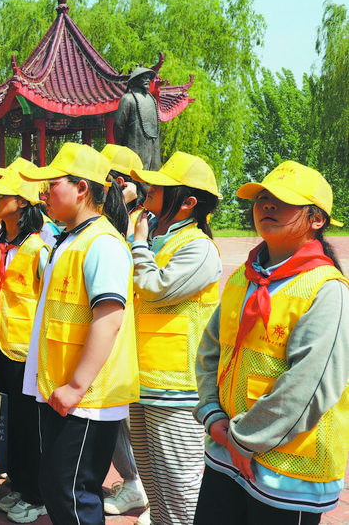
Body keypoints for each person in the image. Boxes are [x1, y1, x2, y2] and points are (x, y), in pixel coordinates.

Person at [194, 161, 349, 524]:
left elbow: (310, 385)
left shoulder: (326, 290)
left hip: (287, 470)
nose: (266, 205)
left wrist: (246, 439)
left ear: (317, 219)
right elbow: (210, 351)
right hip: (226, 451)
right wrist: (212, 413)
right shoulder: (242, 279)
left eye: (282, 200)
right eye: (262, 198)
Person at [19, 142, 138, 525]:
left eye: (53, 184)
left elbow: (109, 318)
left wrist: (76, 385)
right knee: (57, 487)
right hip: (61, 388)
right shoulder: (69, 239)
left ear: (81, 189)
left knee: (72, 493)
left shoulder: (102, 244)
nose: (43, 194)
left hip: (85, 395)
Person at [128, 152, 223, 525]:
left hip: (177, 390)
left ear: (188, 202)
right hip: (145, 382)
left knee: (181, 494)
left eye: (162, 187)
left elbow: (153, 288)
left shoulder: (198, 247)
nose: (151, 190)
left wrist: (138, 242)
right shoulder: (161, 239)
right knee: (155, 489)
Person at [0, 163, 49, 523]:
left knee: (29, 426)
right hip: (1, 347)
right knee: (12, 421)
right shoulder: (2, 243)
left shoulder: (39, 249)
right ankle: (20, 485)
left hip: (26, 352)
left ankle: (36, 495)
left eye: (1, 196)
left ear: (22, 203)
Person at [99, 143, 150, 518]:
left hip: (141, 340)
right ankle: (133, 482)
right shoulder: (104, 223)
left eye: (115, 181)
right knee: (115, 417)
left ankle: (140, 485)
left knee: (134, 421)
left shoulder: (146, 225)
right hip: (115, 337)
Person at [114, 66, 162, 170]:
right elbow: (119, 125)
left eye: (148, 78)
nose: (147, 80)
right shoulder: (128, 99)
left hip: (152, 157)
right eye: (143, 77)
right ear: (135, 81)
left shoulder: (152, 100)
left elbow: (118, 126)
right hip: (134, 153)